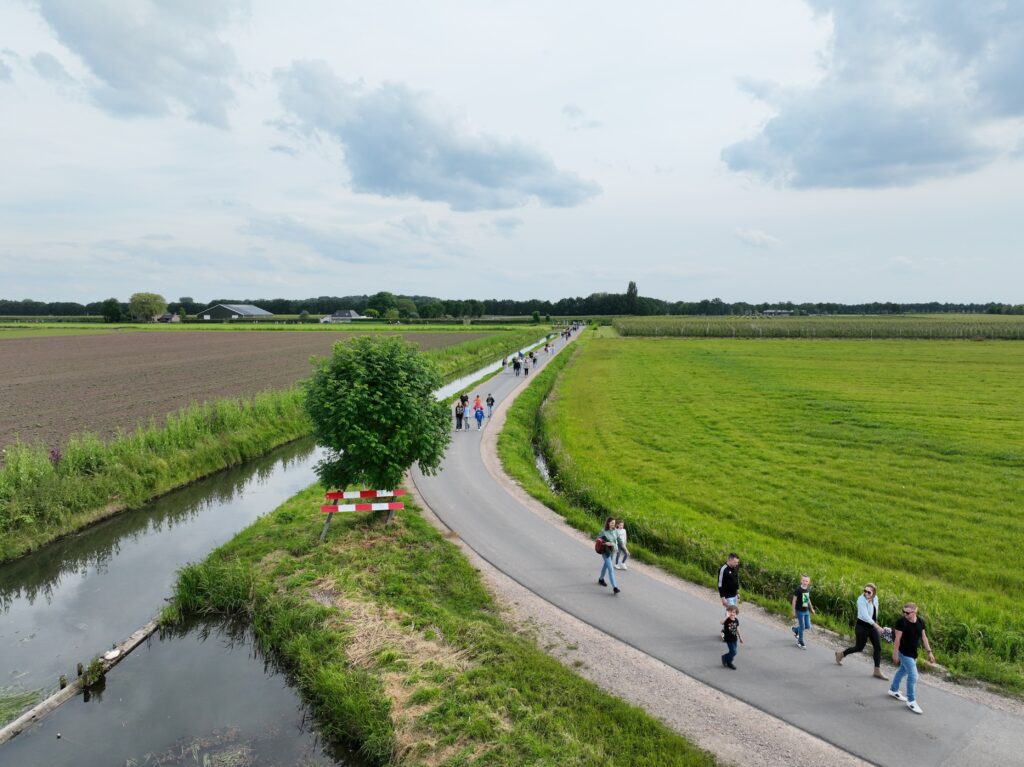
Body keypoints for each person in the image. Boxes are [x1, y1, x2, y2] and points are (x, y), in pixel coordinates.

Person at [888, 602, 935, 714]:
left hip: (913, 653)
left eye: (907, 612)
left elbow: (924, 637)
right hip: (904, 652)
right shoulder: (901, 622)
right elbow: (897, 639)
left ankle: (893, 689)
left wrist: (929, 652)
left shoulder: (920, 622)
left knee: (902, 671)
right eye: (903, 612)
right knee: (913, 676)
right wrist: (895, 653)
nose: (905, 614)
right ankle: (911, 701)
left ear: (915, 611)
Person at [836, 583, 888, 679]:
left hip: (872, 627)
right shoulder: (861, 600)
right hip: (862, 626)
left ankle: (877, 671)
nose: (866, 593)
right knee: (859, 647)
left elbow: (875, 611)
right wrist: (878, 627)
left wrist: (875, 622)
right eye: (865, 591)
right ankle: (841, 654)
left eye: (869, 592)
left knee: (878, 647)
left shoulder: (875, 598)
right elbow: (865, 616)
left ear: (873, 593)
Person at [791, 573, 817, 649]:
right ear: (801, 581)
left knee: (808, 626)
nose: (805, 582)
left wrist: (811, 609)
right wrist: (793, 611)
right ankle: (800, 641)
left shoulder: (807, 589)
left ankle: (796, 630)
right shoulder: (798, 590)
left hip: (806, 611)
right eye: (803, 580)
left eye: (806, 581)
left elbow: (807, 599)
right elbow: (794, 601)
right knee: (802, 626)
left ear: (809, 582)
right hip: (799, 611)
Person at [597, 517, 620, 594]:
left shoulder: (616, 531)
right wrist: (604, 543)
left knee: (605, 566)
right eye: (612, 523)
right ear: (608, 523)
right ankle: (615, 587)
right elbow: (598, 540)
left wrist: (625, 549)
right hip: (605, 552)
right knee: (611, 569)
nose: (613, 524)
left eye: (614, 523)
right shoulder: (603, 531)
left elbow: (618, 540)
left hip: (612, 551)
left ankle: (601, 579)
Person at [721, 604, 743, 670]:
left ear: (736, 613)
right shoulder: (727, 620)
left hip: (734, 639)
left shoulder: (736, 620)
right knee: (733, 652)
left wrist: (740, 637)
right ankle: (725, 657)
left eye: (733, 612)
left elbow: (737, 629)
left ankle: (728, 662)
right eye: (730, 612)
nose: (732, 613)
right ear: (728, 612)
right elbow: (721, 622)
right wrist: (726, 617)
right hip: (728, 639)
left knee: (733, 652)